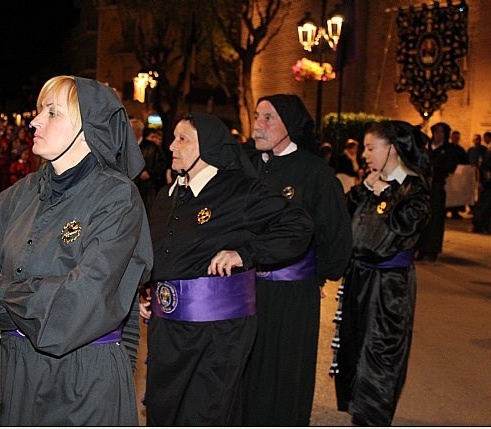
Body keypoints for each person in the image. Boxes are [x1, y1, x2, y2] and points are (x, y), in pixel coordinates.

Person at [0, 76, 153, 426]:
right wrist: (21, 301)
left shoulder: (117, 199)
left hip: (83, 377)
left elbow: (82, 300)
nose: (36, 121)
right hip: (14, 366)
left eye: (52, 112)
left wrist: (0, 293)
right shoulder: (15, 197)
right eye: (40, 110)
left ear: (88, 129)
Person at [140, 113, 314, 426]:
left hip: (218, 333)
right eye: (174, 138)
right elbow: (154, 251)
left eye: (182, 139)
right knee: (163, 411)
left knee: (205, 414)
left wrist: (246, 253)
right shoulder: (167, 195)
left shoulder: (240, 191)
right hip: (167, 329)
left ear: (207, 146)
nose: (171, 146)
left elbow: (297, 225)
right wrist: (146, 291)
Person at [241, 94, 353, 426]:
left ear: (289, 126)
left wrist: (321, 274)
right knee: (245, 366)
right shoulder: (245, 164)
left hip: (292, 294)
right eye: (258, 116)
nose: (258, 125)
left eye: (268, 118)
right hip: (241, 288)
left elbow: (336, 231)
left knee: (285, 369)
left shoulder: (314, 172)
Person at [331, 120, 432, 426]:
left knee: (380, 350)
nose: (365, 154)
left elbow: (404, 226)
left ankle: (372, 417)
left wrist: (385, 195)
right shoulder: (369, 184)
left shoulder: (414, 188)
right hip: (359, 277)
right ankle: (357, 407)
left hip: (388, 285)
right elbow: (344, 214)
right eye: (364, 147)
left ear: (392, 149)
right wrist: (366, 189)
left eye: (371, 147)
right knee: (353, 345)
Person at [415, 122, 465, 261]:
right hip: (422, 187)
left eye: (441, 132)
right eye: (435, 132)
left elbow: (449, 166)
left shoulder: (449, 149)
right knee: (421, 218)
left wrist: (432, 167)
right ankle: (420, 248)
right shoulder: (426, 147)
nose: (437, 135)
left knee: (435, 220)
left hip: (437, 187)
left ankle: (432, 250)